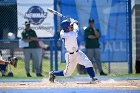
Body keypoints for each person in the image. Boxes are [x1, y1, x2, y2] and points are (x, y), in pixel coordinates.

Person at [49, 19, 98, 83]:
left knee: (88, 63)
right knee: (67, 73)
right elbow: (76, 28)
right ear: (66, 28)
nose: (71, 27)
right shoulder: (71, 34)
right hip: (70, 55)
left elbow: (71, 26)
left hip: (78, 52)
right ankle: (53, 73)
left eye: (71, 26)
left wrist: (71, 22)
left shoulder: (62, 32)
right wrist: (75, 23)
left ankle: (93, 78)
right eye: (70, 26)